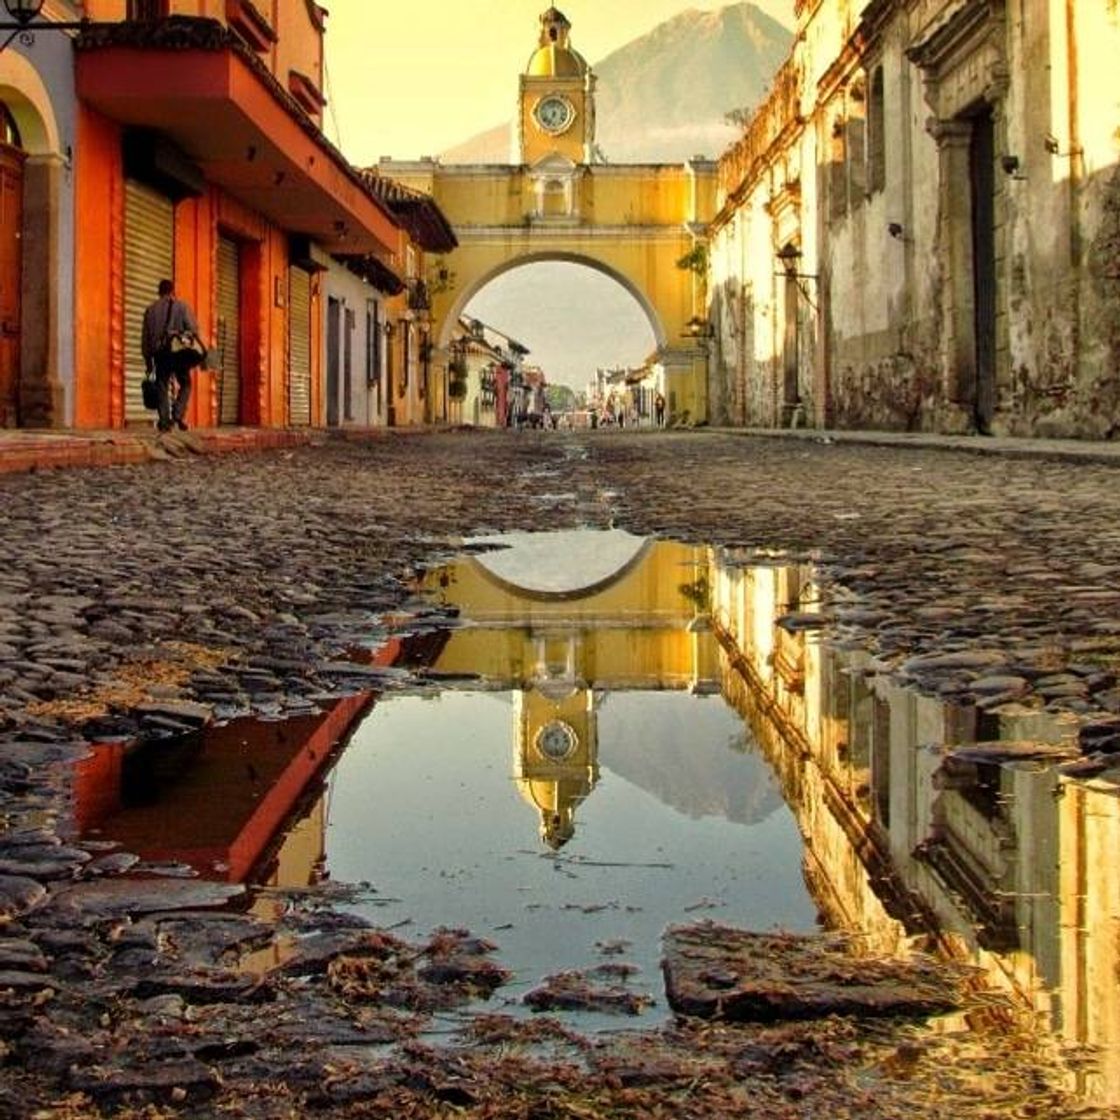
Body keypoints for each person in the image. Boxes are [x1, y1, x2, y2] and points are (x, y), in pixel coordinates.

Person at [141, 279, 205, 432]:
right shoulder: (182, 307)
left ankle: (164, 422)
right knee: (186, 383)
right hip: (177, 353)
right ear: (172, 291)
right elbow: (193, 331)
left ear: (159, 292)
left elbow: (145, 340)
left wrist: (148, 362)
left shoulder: (150, 310)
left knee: (162, 384)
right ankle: (177, 414)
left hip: (159, 354)